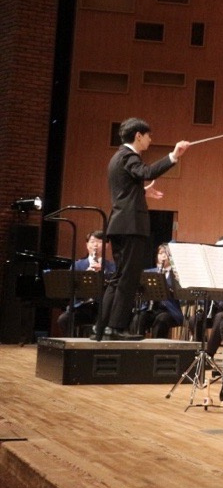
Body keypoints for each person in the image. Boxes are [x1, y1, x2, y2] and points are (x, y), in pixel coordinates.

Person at [95, 118, 188, 341]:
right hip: (130, 226)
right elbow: (146, 172)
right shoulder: (129, 156)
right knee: (128, 278)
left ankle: (101, 328)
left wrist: (142, 192)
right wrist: (173, 156)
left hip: (119, 224)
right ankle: (116, 328)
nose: (150, 140)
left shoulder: (117, 157)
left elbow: (125, 189)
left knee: (118, 277)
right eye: (148, 136)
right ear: (138, 135)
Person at [56, 230, 115, 336]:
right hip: (81, 307)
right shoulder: (77, 265)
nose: (95, 245)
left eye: (100, 242)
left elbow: (115, 287)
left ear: (106, 245)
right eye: (92, 242)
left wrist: (103, 273)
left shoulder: (112, 267)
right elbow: (70, 288)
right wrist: (85, 276)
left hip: (102, 308)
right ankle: (74, 343)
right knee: (63, 320)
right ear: (87, 245)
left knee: (109, 323)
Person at [131, 243, 183, 338]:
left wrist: (176, 283)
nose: (163, 256)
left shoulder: (176, 274)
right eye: (160, 253)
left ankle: (157, 346)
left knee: (161, 320)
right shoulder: (148, 273)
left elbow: (183, 298)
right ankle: (137, 344)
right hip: (151, 308)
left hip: (170, 310)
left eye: (166, 253)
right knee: (138, 317)